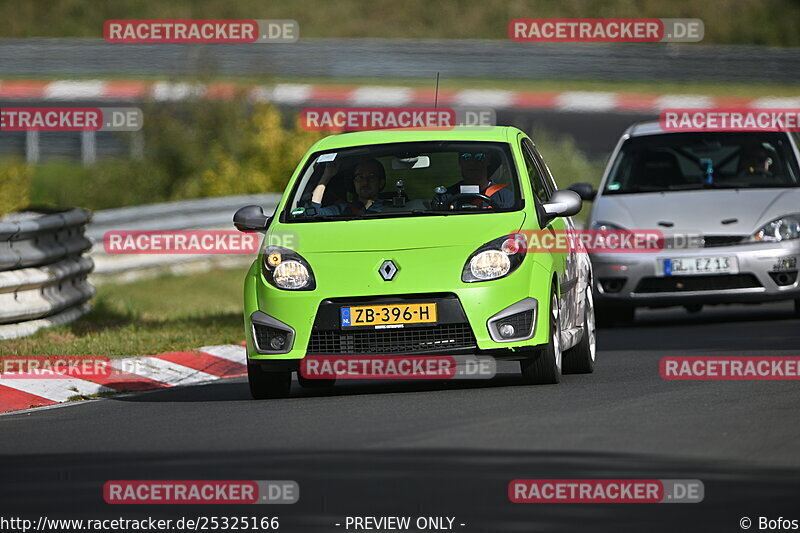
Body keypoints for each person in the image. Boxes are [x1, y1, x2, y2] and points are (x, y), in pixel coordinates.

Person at [306, 158, 388, 216]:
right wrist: (327, 176)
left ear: (381, 183)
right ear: (354, 182)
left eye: (371, 177)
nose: (365, 182)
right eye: (360, 177)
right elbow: (311, 213)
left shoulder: (391, 208)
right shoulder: (342, 209)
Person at [444, 151, 514, 208]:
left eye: (479, 157)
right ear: (459, 161)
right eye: (466, 157)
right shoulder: (445, 198)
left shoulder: (506, 198)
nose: (472, 163)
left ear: (488, 161)